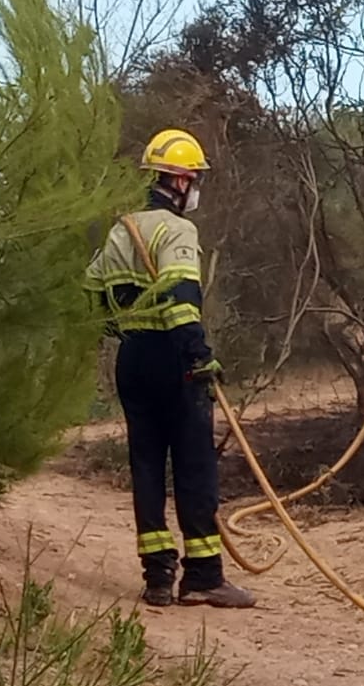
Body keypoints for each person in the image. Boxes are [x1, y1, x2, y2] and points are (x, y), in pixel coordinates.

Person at [84, 129, 256, 609]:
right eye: (194, 178)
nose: (196, 187)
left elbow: (91, 293)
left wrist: (123, 328)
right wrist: (198, 355)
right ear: (179, 181)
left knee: (146, 465)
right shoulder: (176, 230)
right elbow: (182, 301)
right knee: (194, 465)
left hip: (133, 359)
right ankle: (203, 576)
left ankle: (157, 576)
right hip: (173, 360)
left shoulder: (121, 230)